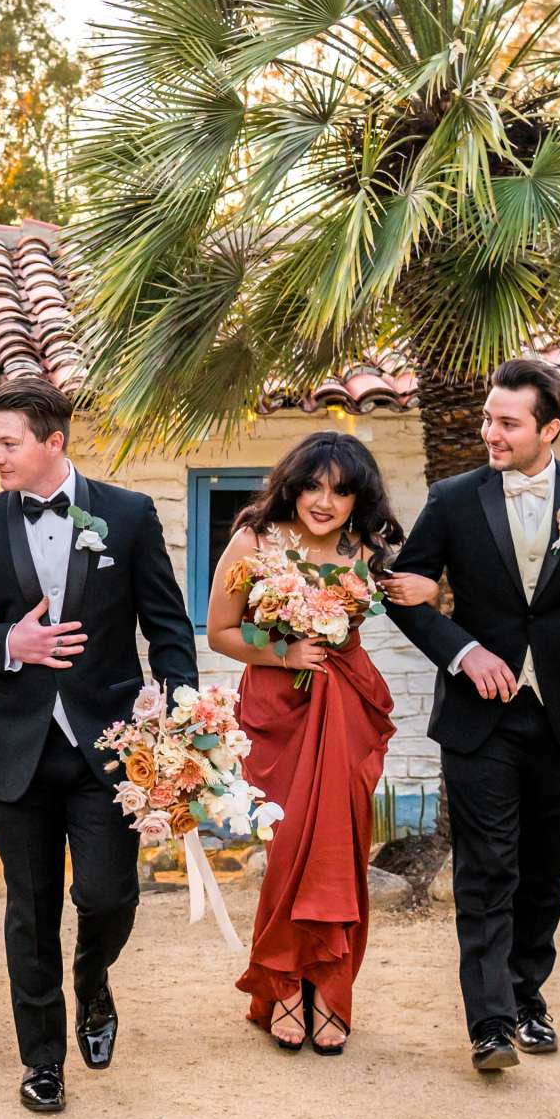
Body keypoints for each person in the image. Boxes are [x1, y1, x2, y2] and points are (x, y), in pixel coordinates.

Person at [0, 377, 197, 1114]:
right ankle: (42, 1060)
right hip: (17, 745)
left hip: (109, 745)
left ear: (55, 442)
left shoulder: (129, 515)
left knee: (108, 896)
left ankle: (95, 978)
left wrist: (177, 719)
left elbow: (168, 628)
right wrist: (7, 640)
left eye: (8, 443)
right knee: (31, 905)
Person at [389, 358, 560, 1072]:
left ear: (548, 428)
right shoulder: (453, 498)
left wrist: (553, 658)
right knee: (487, 867)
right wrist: (465, 653)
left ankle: (528, 994)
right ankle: (490, 1021)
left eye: (507, 423)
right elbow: (405, 594)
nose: (490, 433)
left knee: (543, 869)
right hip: (477, 717)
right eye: (489, 419)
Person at [207, 433, 408, 1057]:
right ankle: (285, 985)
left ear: (358, 499)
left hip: (345, 704)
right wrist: (282, 650)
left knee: (340, 847)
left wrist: (430, 590)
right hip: (278, 710)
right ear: (292, 484)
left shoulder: (366, 550)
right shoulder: (254, 539)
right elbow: (219, 632)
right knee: (292, 846)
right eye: (315, 486)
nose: (326, 501)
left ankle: (330, 989)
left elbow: (419, 597)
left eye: (342, 491)